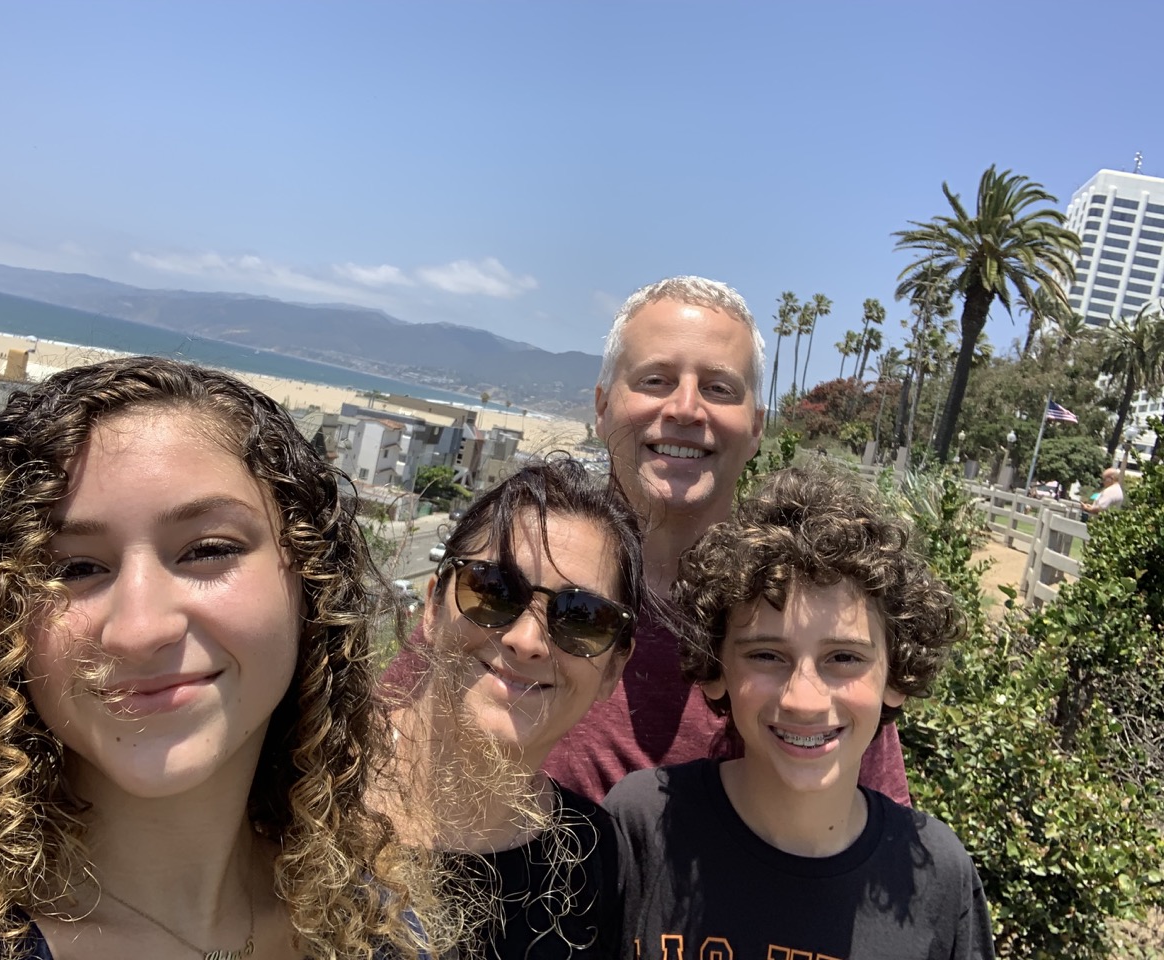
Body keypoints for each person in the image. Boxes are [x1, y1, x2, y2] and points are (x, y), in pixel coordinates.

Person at [0, 357, 437, 960]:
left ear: (311, 581)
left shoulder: (381, 936)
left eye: (206, 551)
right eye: (75, 568)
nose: (140, 629)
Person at [543, 276, 910, 804]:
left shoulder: (809, 611)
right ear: (601, 408)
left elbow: (871, 839)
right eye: (654, 380)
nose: (686, 409)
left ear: (756, 426)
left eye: (719, 389)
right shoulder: (521, 576)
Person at [605, 467, 994, 959]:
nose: (803, 700)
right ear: (714, 668)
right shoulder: (644, 822)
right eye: (767, 655)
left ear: (896, 676)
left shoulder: (938, 875)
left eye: (844, 658)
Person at [378, 458, 643, 960]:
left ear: (614, 670)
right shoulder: (306, 783)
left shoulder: (596, 860)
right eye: (494, 588)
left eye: (582, 617)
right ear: (433, 607)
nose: (526, 641)